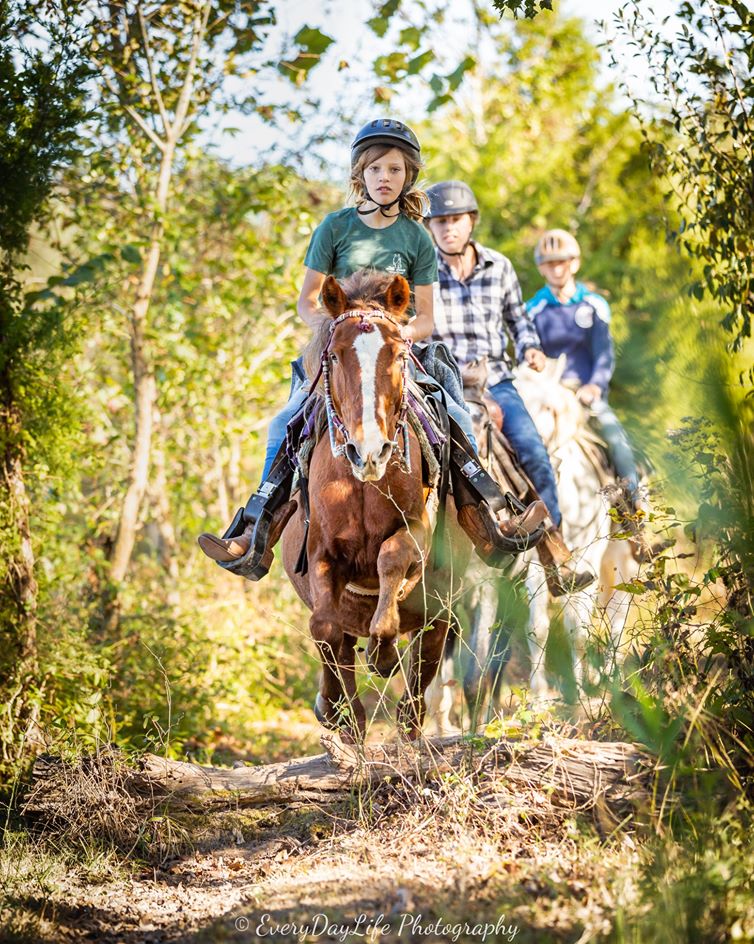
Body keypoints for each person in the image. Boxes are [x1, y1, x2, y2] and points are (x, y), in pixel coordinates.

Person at [197, 120, 545, 580]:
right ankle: (254, 530)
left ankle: (490, 516)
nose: (385, 177)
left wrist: (394, 335)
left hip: (395, 353)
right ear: (360, 173)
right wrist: (334, 330)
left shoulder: (417, 237)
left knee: (457, 414)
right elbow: (307, 301)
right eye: (376, 168)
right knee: (285, 421)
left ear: (408, 176)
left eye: (395, 170)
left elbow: (426, 318)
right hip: (341, 353)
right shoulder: (334, 227)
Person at [424, 180, 595, 595]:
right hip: (442, 384)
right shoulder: (422, 272)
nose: (449, 228)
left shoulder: (498, 266)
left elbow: (519, 320)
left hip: (496, 380)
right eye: (440, 221)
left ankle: (556, 556)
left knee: (535, 454)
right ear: (430, 227)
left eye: (456, 220)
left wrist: (531, 348)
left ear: (471, 222)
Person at [527, 228, 673, 561]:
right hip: (550, 395)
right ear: (541, 268)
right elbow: (531, 354)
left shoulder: (593, 305)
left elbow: (604, 353)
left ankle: (639, 524)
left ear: (574, 263)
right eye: (549, 263)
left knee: (618, 442)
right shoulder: (533, 309)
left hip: (586, 394)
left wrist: (595, 386)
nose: (556, 268)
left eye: (562, 262)